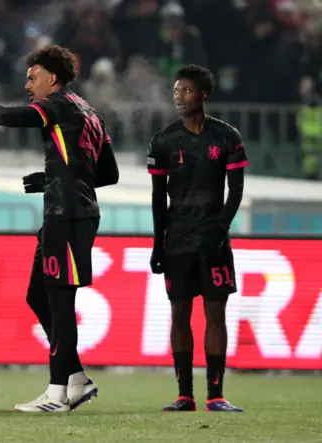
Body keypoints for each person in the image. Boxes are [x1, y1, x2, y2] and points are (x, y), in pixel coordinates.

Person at [0, 44, 119, 412]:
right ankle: (76, 378)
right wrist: (53, 177)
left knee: (60, 302)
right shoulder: (89, 111)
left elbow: (4, 116)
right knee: (37, 295)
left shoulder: (57, 104)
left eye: (34, 77)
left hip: (69, 215)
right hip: (68, 209)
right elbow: (108, 173)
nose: (28, 83)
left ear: (53, 78)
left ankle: (58, 393)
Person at [147, 64, 246, 412]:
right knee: (179, 313)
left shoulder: (227, 136)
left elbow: (235, 193)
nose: (178, 96)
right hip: (177, 240)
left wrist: (219, 230)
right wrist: (158, 243)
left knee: (216, 313)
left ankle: (216, 395)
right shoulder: (162, 140)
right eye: (175, 91)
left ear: (203, 94)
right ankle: (184, 395)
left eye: (186, 90)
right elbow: (159, 198)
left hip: (214, 240)